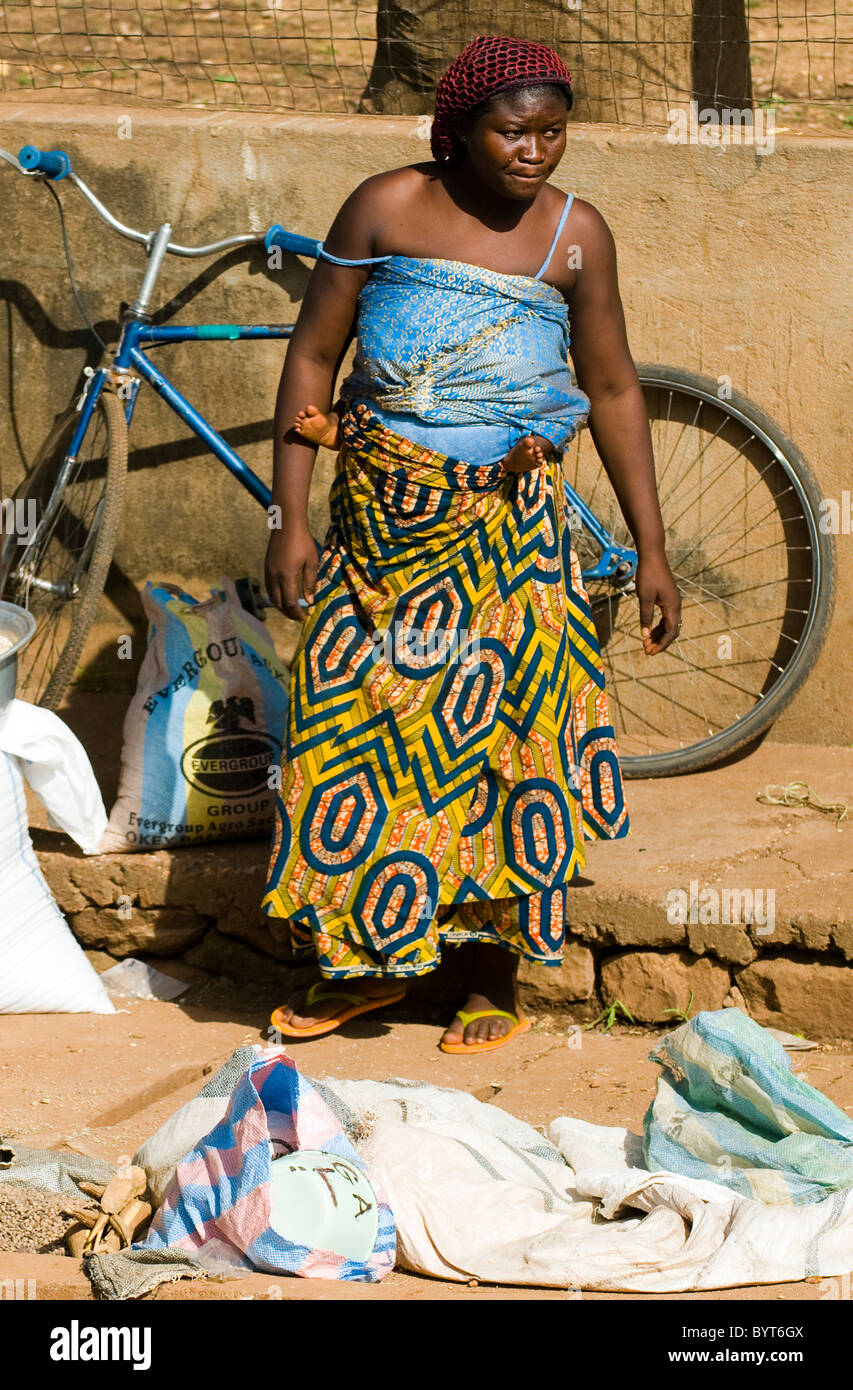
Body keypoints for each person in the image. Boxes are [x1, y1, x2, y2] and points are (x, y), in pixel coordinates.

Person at [261, 34, 681, 1053]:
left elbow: (614, 387)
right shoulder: (383, 208)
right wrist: (291, 516)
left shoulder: (576, 235)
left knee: (498, 745)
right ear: (456, 131)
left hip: (506, 537)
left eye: (552, 130)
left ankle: (489, 978)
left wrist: (652, 550)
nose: (535, 150)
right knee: (351, 733)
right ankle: (355, 970)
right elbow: (314, 355)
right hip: (382, 535)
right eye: (511, 129)